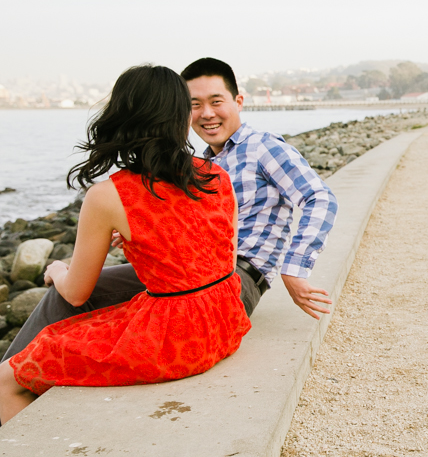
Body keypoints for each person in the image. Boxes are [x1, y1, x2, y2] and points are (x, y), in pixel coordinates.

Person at [1, 58, 338, 367]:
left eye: (216, 101)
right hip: (198, 276)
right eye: (194, 105)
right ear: (179, 113)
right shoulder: (204, 167)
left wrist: (294, 269)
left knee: (68, 297)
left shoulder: (261, 147)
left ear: (239, 101)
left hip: (233, 279)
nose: (206, 113)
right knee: (78, 300)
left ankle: (11, 376)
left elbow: (319, 197)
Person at [0, 65, 251, 424]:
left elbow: (76, 293)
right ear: (181, 118)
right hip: (225, 320)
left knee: (6, 380)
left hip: (173, 340)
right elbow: (216, 253)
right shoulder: (215, 174)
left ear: (122, 116)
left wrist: (57, 269)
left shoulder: (108, 196)